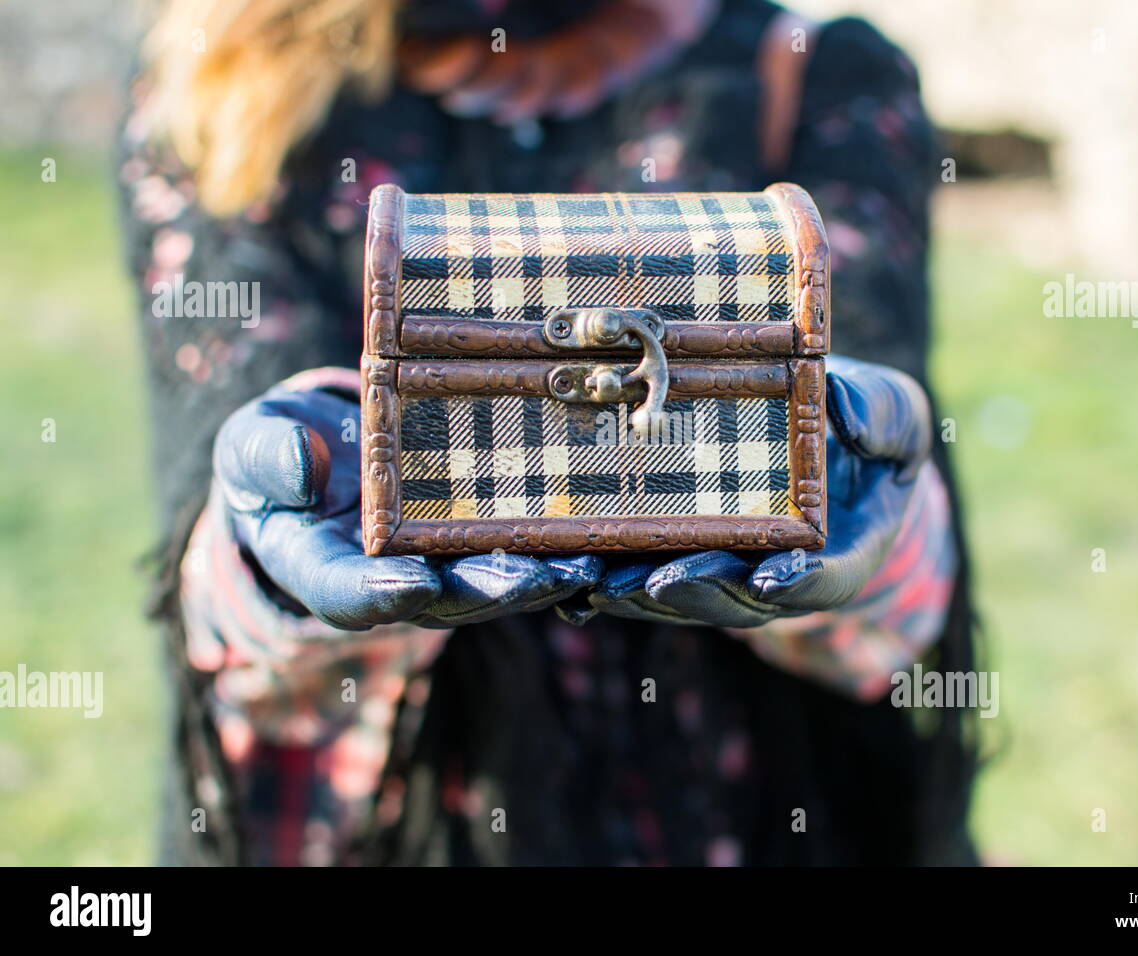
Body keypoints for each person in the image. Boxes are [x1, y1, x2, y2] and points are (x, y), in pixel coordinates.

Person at [120, 0, 979, 866]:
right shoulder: (228, 77)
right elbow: (218, 612)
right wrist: (278, 566)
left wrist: (859, 515)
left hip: (769, 818)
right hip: (393, 827)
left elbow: (899, 605)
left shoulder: (811, 71)